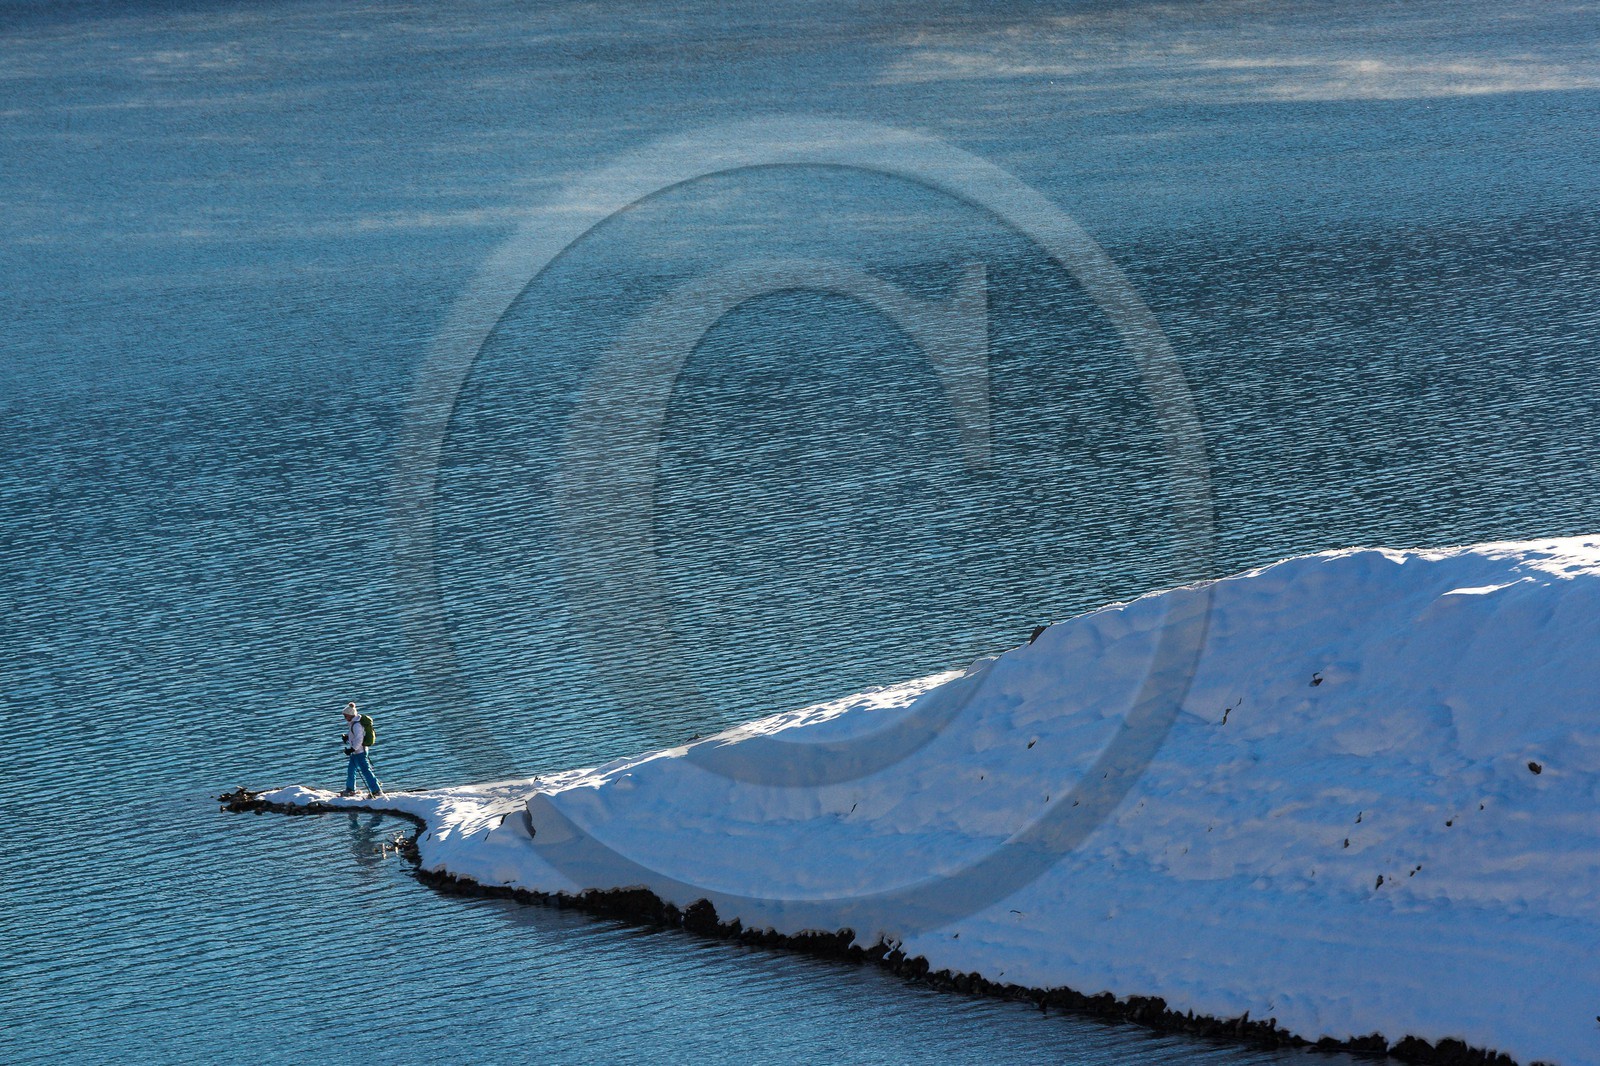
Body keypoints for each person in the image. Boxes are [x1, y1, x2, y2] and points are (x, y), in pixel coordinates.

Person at [339, 702, 383, 797]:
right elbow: (355, 736)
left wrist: (352, 749)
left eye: (345, 716)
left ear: (350, 715)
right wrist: (347, 737)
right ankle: (350, 789)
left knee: (365, 771)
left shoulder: (356, 725)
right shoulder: (353, 723)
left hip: (360, 752)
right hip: (356, 752)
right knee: (351, 770)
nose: (344, 718)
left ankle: (376, 791)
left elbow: (359, 739)